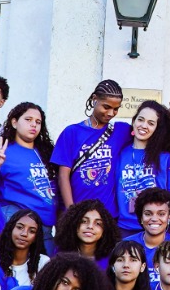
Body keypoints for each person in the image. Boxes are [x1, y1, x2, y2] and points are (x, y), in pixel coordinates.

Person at [53, 80, 131, 213]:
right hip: (77, 211)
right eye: (106, 107)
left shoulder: (121, 131)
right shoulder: (72, 132)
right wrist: (72, 211)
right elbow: (63, 176)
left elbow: (151, 134)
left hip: (108, 215)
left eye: (116, 109)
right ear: (95, 99)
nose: (111, 113)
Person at [114, 101, 170, 238]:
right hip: (124, 230)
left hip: (158, 230)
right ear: (134, 121)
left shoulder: (166, 158)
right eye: (140, 120)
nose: (144, 126)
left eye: (151, 123)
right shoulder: (121, 153)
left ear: (157, 129)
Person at [0, 102, 58, 224]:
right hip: (15, 221)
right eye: (28, 119)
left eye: (38, 122)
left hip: (45, 224)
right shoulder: (3, 152)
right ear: (14, 123)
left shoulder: (47, 152)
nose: (33, 124)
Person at [124, 188, 170, 285]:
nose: (154, 219)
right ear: (141, 217)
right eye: (148, 214)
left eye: (161, 214)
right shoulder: (125, 246)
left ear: (169, 217)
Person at [54, 199, 119, 262]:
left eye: (98, 223)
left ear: (105, 230)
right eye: (84, 221)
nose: (90, 226)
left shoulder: (113, 257)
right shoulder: (61, 254)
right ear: (73, 224)